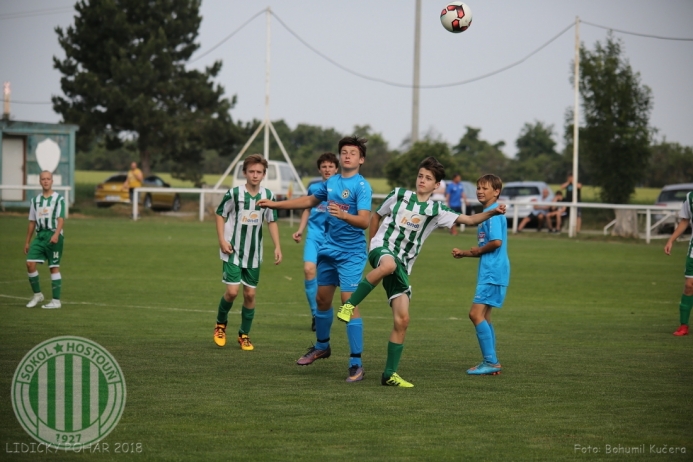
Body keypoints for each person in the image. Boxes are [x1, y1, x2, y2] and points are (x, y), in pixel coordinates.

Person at [336, 157, 506, 387]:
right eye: (420, 176)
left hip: (403, 266)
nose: (422, 181)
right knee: (388, 265)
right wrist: (372, 246)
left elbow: (470, 218)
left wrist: (493, 212)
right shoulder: (398, 195)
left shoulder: (437, 209)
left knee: (403, 319)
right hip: (383, 251)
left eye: (428, 178)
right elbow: (376, 216)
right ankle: (348, 306)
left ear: (436, 185)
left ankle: (389, 374)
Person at [259, 136, 372, 383]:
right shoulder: (331, 182)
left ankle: (356, 363)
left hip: (352, 253)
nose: (347, 156)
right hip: (329, 249)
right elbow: (310, 200)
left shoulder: (362, 186)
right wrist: (277, 205)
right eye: (343, 152)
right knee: (322, 299)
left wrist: (343, 215)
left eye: (353, 153)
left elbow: (365, 220)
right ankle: (322, 346)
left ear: (361, 159)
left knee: (348, 304)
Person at [213, 154, 282, 351]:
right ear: (245, 172)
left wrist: (277, 246)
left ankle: (244, 334)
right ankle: (220, 324)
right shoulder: (235, 194)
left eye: (259, 172)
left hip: (254, 254)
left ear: (263, 174)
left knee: (250, 295)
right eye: (251, 171)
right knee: (232, 292)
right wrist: (221, 240)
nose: (255, 175)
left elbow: (272, 221)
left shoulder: (267, 196)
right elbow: (220, 214)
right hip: (232, 250)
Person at [452, 174, 510, 376]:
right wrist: (466, 253)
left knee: (475, 314)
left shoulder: (492, 214)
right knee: (485, 316)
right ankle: (492, 361)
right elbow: (488, 246)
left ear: (496, 192)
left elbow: (495, 242)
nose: (479, 191)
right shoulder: (488, 214)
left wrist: (476, 250)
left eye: (484, 188)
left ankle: (491, 362)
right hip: (494, 270)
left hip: (492, 272)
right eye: (478, 187)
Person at [292, 152, 339, 331]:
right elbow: (306, 209)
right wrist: (300, 230)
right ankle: (315, 314)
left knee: (329, 280)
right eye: (324, 166)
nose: (327, 169)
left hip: (334, 239)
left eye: (330, 166)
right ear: (319, 169)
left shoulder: (342, 189)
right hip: (314, 235)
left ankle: (324, 310)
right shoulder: (314, 188)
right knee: (308, 269)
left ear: (336, 169)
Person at [24, 170, 65, 309]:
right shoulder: (35, 201)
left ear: (52, 181)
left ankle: (56, 301)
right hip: (40, 236)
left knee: (53, 267)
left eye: (48, 179)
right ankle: (37, 295)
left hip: (54, 235)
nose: (46, 181)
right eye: (43, 179)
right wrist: (27, 242)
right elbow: (31, 222)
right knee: (30, 264)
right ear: (40, 181)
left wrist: (56, 234)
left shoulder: (59, 199)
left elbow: (60, 219)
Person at [663, 190, 693, 336]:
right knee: (689, 285)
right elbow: (685, 220)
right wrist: (671, 239)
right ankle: (684, 325)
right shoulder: (690, 197)